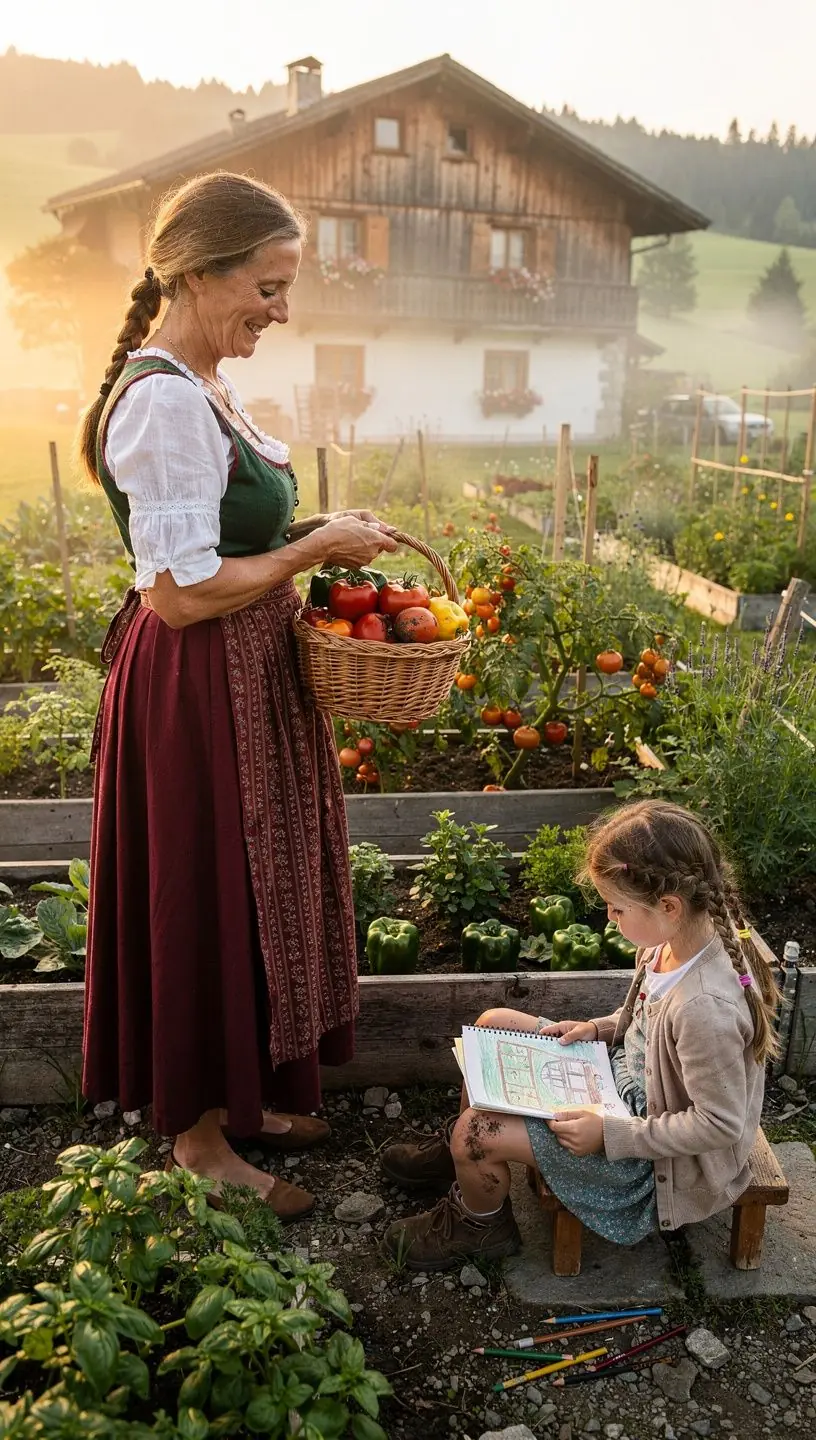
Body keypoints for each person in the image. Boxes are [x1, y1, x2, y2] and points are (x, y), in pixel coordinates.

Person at [77, 172, 398, 1221]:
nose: (282, 310)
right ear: (201, 272)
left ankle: (244, 1099)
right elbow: (175, 595)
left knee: (259, 888)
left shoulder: (205, 387)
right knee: (206, 887)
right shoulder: (164, 398)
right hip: (197, 682)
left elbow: (237, 540)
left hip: (246, 671)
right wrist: (314, 546)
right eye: (268, 285)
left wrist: (317, 545)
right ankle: (200, 1138)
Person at [381, 800, 779, 1268]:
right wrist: (600, 1028)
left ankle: (480, 1223)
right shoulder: (672, 941)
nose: (610, 918)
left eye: (616, 908)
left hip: (650, 1161)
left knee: (476, 1131)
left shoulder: (704, 1008)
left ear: (668, 905)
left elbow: (719, 1124)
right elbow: (645, 1022)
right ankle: (461, 1158)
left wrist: (608, 1135)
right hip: (618, 1083)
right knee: (492, 1025)